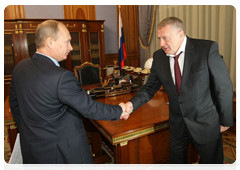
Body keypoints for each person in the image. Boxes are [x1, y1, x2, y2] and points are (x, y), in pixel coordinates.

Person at [9, 20, 129, 170]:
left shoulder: (20, 67)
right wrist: (120, 110)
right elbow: (89, 108)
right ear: (50, 42)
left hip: (32, 148)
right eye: (67, 42)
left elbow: (14, 104)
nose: (71, 48)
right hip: (61, 154)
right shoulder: (61, 77)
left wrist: (29, 131)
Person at [124, 17, 233, 170]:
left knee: (212, 166)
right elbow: (150, 87)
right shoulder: (159, 56)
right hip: (177, 124)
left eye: (165, 38)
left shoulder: (206, 49)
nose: (161, 43)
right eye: (159, 38)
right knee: (176, 165)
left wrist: (225, 119)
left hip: (205, 123)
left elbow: (224, 86)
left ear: (180, 34)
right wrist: (131, 104)